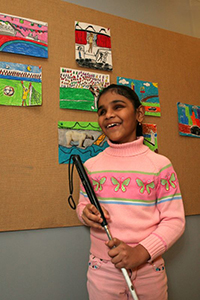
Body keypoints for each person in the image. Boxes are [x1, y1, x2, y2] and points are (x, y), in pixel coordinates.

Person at [76, 84, 185, 300]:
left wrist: (140, 253)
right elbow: (82, 206)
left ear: (139, 114)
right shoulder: (91, 165)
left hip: (149, 267)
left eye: (118, 106)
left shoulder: (160, 165)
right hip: (103, 269)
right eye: (102, 111)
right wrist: (85, 214)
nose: (109, 115)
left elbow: (175, 220)